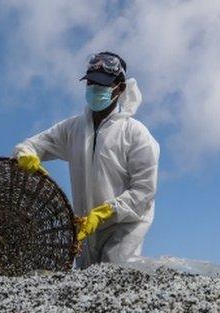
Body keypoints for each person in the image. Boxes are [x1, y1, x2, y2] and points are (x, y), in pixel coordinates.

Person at [13, 52, 160, 268]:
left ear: (119, 88)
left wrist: (106, 212)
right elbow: (29, 146)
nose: (94, 89)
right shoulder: (73, 129)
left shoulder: (137, 134)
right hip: (83, 229)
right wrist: (27, 156)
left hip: (123, 228)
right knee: (86, 289)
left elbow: (144, 192)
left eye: (102, 85)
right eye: (91, 83)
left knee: (115, 280)